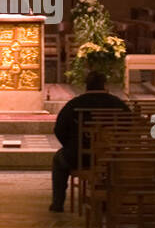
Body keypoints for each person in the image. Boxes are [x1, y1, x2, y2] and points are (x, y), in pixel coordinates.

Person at [50, 70, 130, 212]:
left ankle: (57, 203)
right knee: (110, 163)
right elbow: (129, 128)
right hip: (111, 156)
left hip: (78, 156)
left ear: (86, 86)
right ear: (105, 85)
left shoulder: (74, 104)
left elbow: (59, 129)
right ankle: (106, 200)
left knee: (58, 160)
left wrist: (71, 146)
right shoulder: (117, 104)